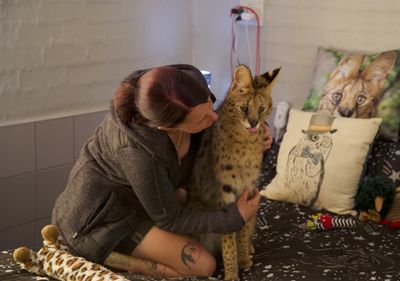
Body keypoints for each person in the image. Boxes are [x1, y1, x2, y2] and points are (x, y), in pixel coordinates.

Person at [51, 64, 273, 278]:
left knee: (198, 210)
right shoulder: (137, 152)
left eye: (209, 104)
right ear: (167, 127)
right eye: (203, 118)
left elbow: (226, 117)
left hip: (145, 200)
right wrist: (235, 218)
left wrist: (258, 135)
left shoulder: (185, 88)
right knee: (205, 265)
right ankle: (108, 257)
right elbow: (171, 218)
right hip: (100, 222)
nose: (213, 117)